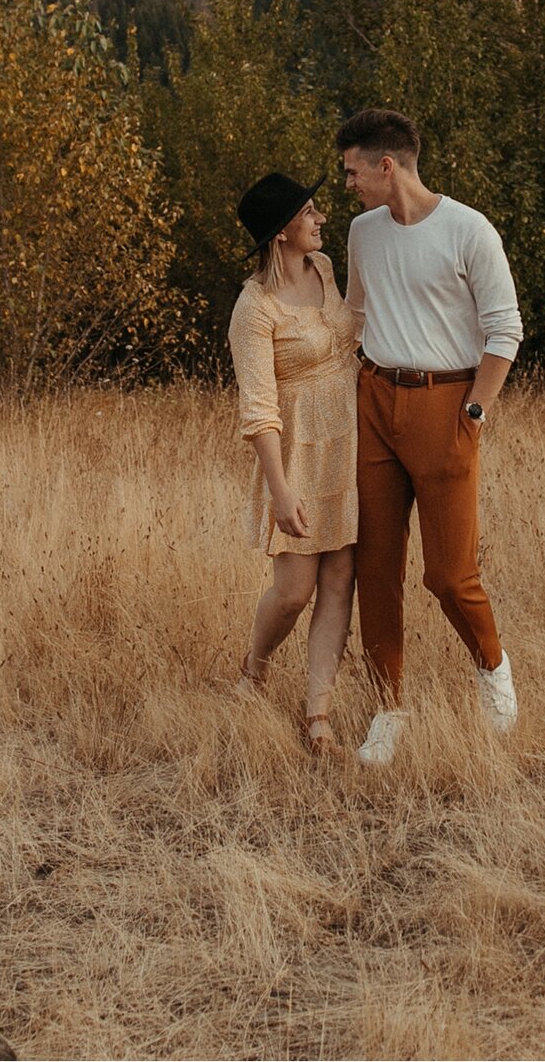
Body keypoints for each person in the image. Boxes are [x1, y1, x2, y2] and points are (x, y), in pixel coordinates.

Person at [338, 108, 522, 768]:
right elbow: (353, 314)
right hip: (373, 402)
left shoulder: (468, 230)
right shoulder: (363, 233)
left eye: (353, 171)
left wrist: (473, 412)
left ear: (387, 166)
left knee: (449, 575)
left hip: (446, 405)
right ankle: (389, 710)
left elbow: (505, 331)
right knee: (376, 568)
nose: (349, 184)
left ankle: (494, 676)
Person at [227, 172, 362, 755]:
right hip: (298, 452)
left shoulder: (325, 268)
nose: (320, 219)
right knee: (294, 588)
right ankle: (252, 673)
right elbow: (258, 407)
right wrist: (281, 492)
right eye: (309, 212)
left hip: (350, 436)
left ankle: (319, 718)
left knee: (339, 578)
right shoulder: (254, 307)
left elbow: (350, 332)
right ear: (282, 231)